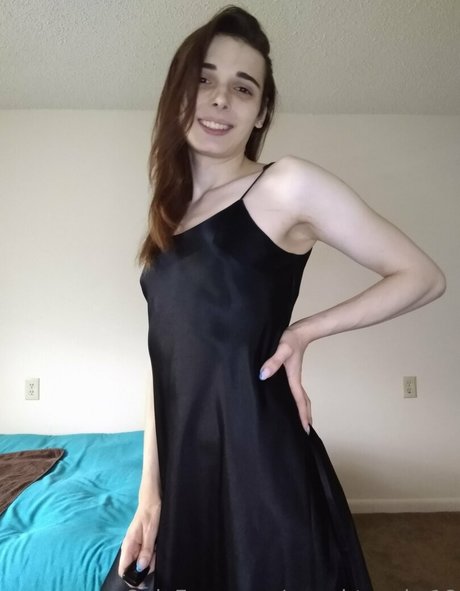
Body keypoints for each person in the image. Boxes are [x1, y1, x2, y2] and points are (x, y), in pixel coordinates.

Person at [110, 5, 446, 591]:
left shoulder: (286, 185)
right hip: (188, 469)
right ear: (179, 92)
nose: (220, 98)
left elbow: (421, 276)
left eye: (243, 88)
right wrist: (149, 494)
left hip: (260, 466)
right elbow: (162, 364)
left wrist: (304, 331)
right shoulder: (168, 216)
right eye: (205, 79)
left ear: (262, 111)